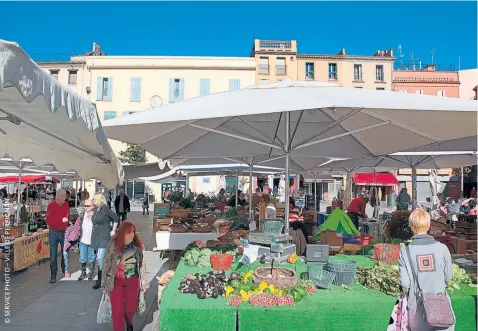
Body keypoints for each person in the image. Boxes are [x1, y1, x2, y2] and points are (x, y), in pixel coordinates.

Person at [398, 209, 455, 331]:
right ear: (428, 225)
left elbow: (405, 283)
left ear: (411, 227)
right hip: (441, 310)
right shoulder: (443, 248)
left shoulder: (405, 251)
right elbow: (448, 277)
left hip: (418, 313)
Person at [101, 221, 149, 331]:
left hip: (133, 281)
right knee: (117, 311)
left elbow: (142, 265)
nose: (131, 235)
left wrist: (144, 283)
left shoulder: (138, 246)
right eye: (128, 233)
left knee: (130, 309)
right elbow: (106, 264)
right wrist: (103, 285)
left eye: (133, 232)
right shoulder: (113, 244)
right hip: (115, 281)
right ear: (122, 233)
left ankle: (129, 323)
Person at [92, 193, 119, 290]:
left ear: (99, 200)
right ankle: (102, 278)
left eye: (94, 199)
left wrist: (113, 230)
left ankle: (101, 280)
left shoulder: (105, 208)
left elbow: (116, 217)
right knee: (99, 259)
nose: (93, 201)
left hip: (104, 236)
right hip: (96, 237)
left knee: (100, 258)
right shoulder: (97, 209)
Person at [46, 189, 70, 283]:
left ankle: (65, 270)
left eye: (65, 196)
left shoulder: (66, 205)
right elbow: (49, 220)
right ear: (58, 197)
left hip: (64, 232)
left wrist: (66, 220)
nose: (65, 198)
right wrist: (61, 220)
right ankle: (53, 275)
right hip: (53, 232)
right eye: (63, 197)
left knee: (65, 253)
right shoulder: (51, 206)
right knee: (53, 255)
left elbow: (68, 215)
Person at [76, 199, 97, 281]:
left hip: (92, 240)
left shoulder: (96, 215)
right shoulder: (81, 215)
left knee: (92, 257)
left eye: (88, 206)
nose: (86, 207)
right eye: (85, 206)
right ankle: (83, 272)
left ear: (92, 206)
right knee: (82, 257)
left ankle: (91, 273)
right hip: (83, 240)